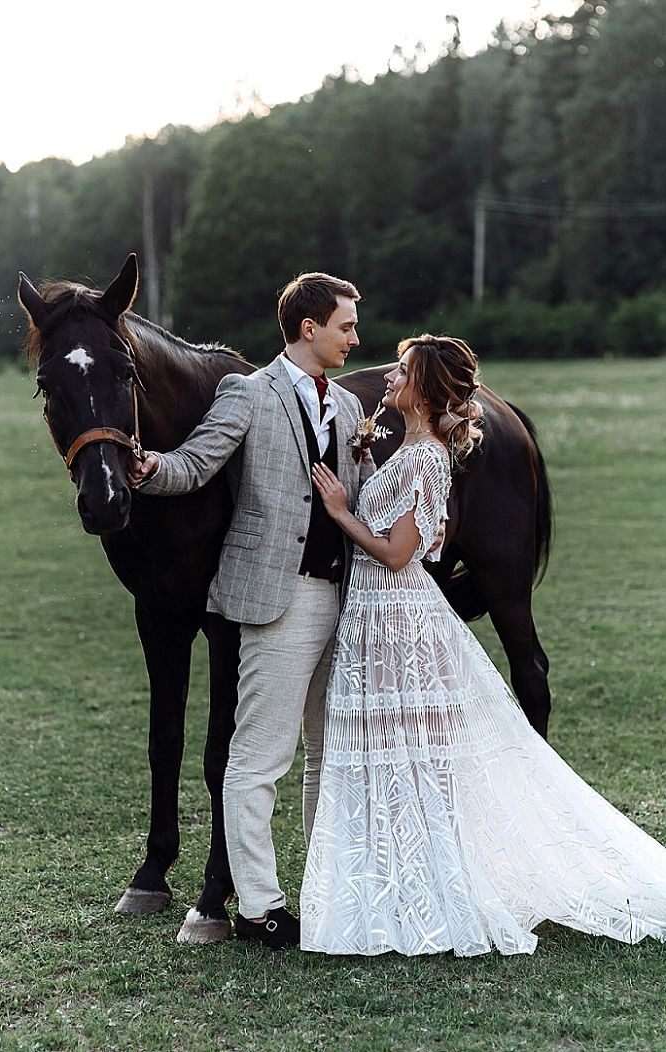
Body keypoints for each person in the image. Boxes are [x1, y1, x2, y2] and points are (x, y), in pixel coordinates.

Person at [300, 333, 666, 957]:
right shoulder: (410, 450)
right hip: (374, 617)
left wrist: (339, 509)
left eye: (400, 371)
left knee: (413, 753)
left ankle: (435, 885)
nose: (387, 376)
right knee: (385, 751)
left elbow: (397, 553)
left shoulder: (426, 459)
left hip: (397, 616)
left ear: (422, 391)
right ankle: (393, 883)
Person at [128, 272, 373, 949]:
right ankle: (259, 907)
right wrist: (150, 469)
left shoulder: (350, 410)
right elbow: (198, 462)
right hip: (277, 598)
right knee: (259, 759)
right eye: (346, 325)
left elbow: (361, 498)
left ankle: (324, 889)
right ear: (308, 328)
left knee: (328, 755)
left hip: (340, 597)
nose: (356, 337)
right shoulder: (249, 393)